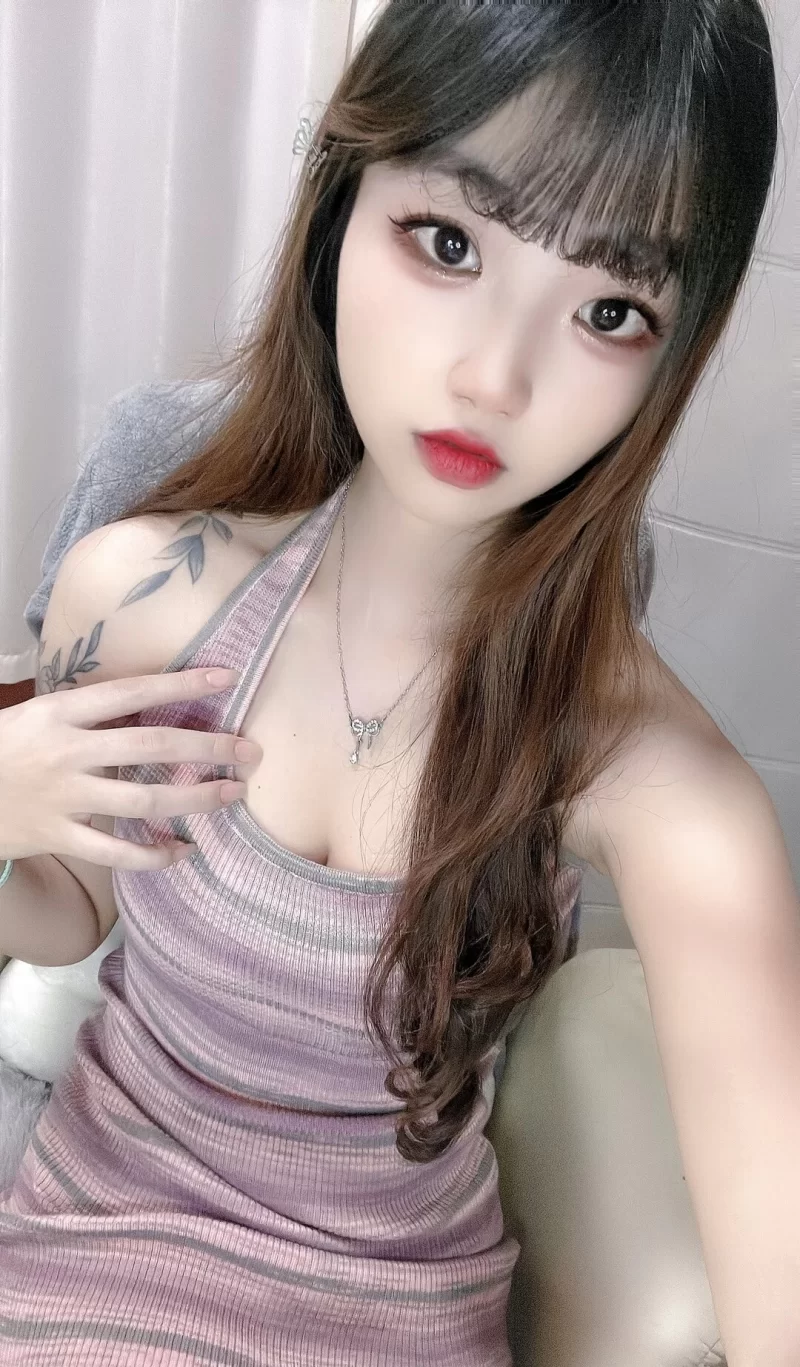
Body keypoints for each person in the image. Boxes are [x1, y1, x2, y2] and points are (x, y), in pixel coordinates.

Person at [0, 1, 792, 1363]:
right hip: (92, 1243)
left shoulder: (656, 786)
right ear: (342, 202)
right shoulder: (141, 595)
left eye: (610, 310)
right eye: (450, 243)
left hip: (386, 1313)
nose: (495, 378)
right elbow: (67, 914)